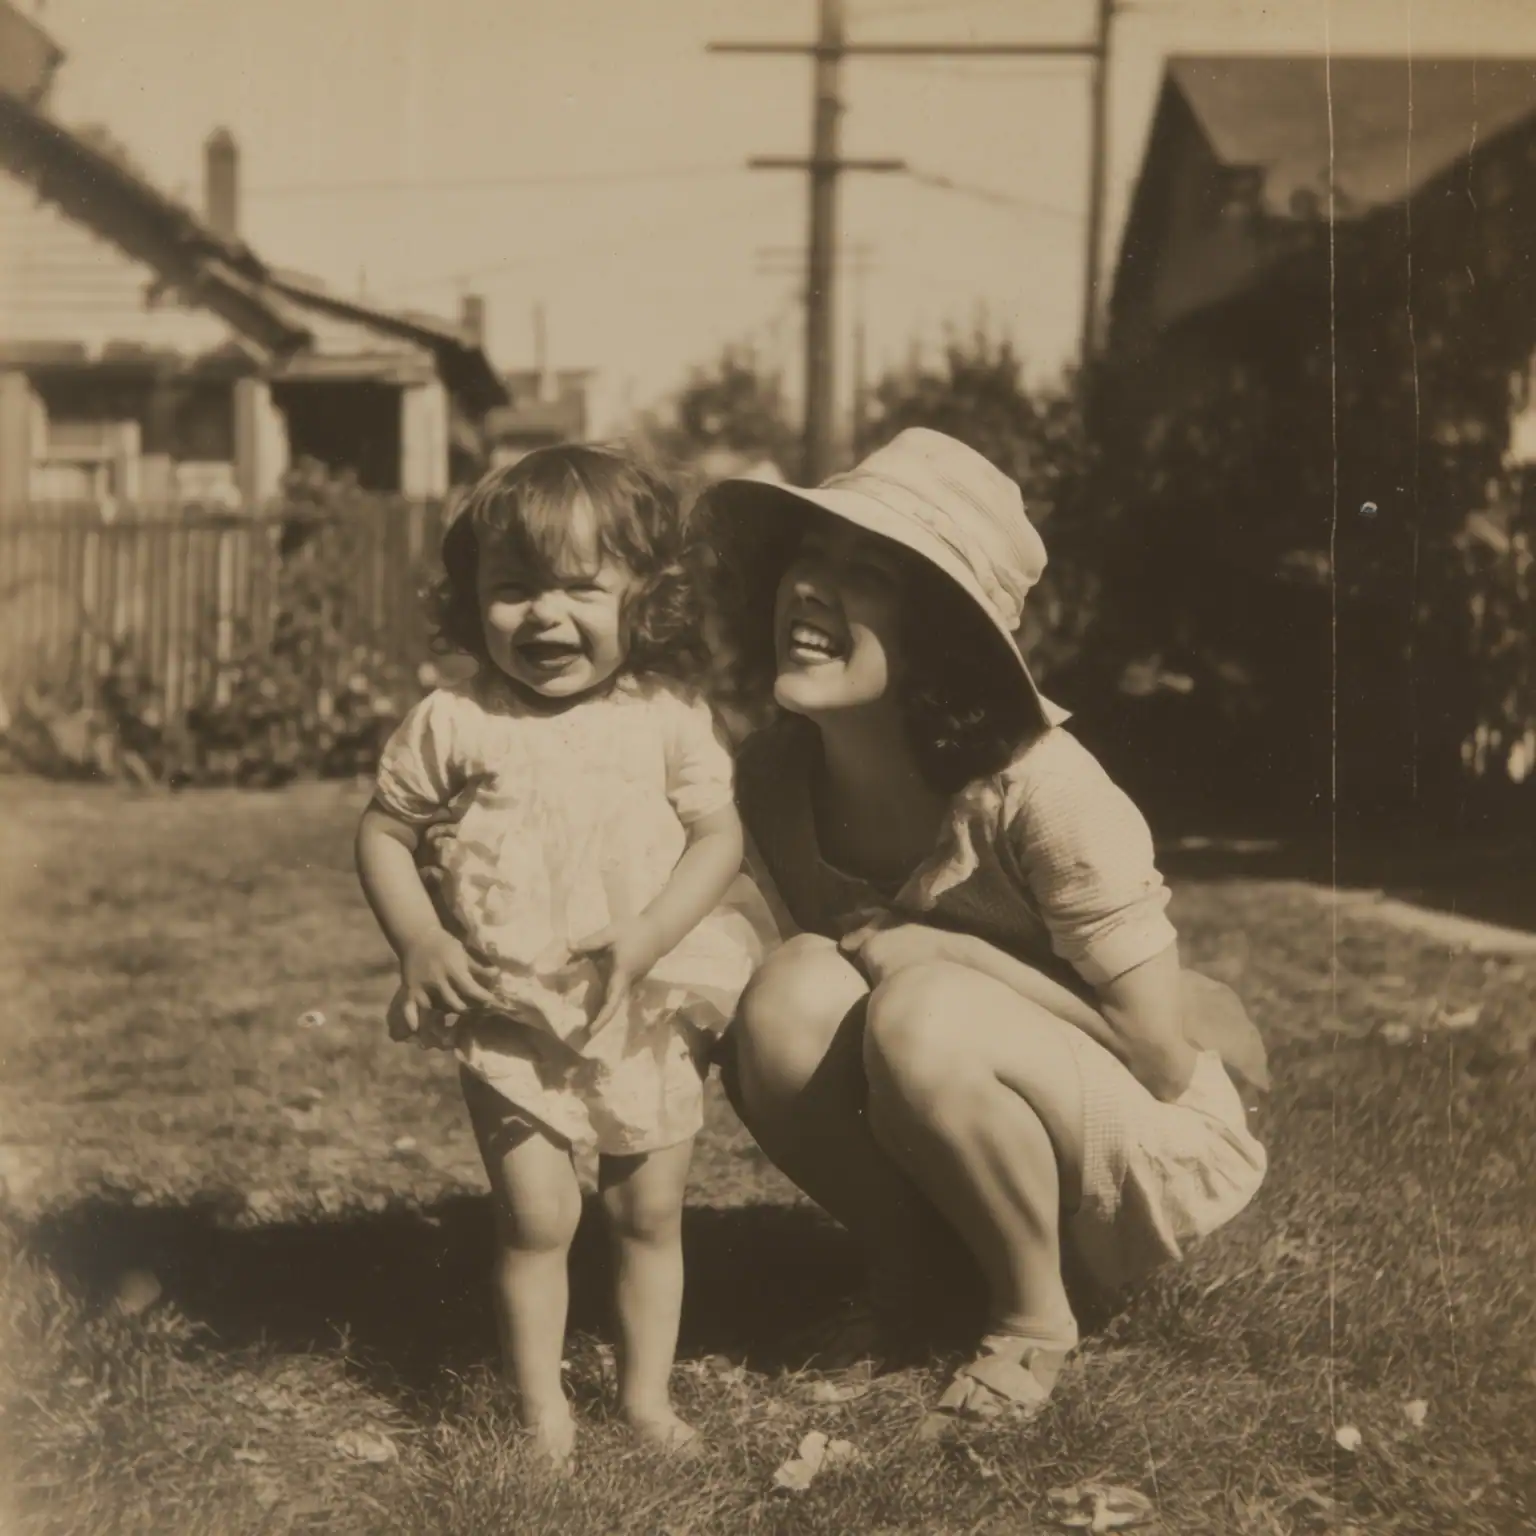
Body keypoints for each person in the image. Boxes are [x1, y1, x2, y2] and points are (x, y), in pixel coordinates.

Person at [703, 427, 1268, 1434]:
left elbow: (1158, 1055)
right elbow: (824, 998)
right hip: (956, 1105)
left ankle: (1032, 1315)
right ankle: (914, 1280)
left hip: (1137, 1144)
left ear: (941, 634)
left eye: (867, 571)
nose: (810, 588)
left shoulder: (1045, 788)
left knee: (922, 1006)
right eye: (810, 555)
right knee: (783, 995)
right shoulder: (773, 782)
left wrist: (957, 955)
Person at [355, 445, 769, 1465]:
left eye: (582, 588)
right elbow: (383, 833)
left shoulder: (668, 720)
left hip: (644, 997)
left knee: (647, 1208)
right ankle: (541, 1409)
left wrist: (654, 931)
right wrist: (419, 938)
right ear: (473, 600)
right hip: (510, 1003)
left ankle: (646, 1399)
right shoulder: (455, 722)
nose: (545, 616)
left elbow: (719, 838)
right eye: (513, 589)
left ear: (647, 599)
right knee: (536, 1216)